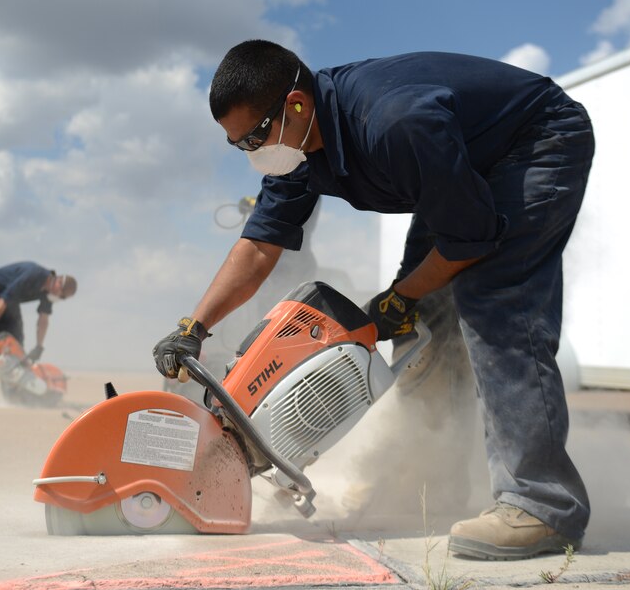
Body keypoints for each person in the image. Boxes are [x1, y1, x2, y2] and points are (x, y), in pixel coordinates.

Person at [152, 39, 594, 560]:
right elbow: (258, 246)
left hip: (537, 140)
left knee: (494, 300)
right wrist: (194, 328)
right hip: (461, 166)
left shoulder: (392, 123)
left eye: (253, 137)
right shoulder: (296, 150)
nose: (251, 154)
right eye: (238, 145)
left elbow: (469, 239)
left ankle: (542, 504)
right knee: (425, 320)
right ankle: (435, 474)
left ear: (296, 105)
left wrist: (400, 295)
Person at [0, 261, 77, 398]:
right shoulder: (34, 275)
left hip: (9, 304)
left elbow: (43, 319)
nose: (60, 299)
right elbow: (2, 302)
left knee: (15, 345)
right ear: (58, 284)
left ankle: (13, 395)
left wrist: (39, 346)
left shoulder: (47, 293)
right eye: (62, 296)